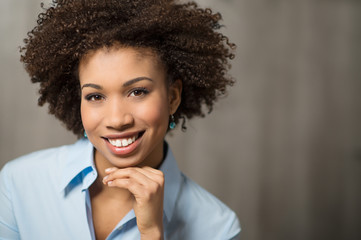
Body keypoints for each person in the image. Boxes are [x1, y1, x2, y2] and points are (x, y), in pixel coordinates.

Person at [0, 0, 240, 239]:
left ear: (173, 97)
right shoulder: (19, 183)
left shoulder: (217, 228)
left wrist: (152, 233)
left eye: (138, 92)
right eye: (95, 96)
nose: (117, 119)